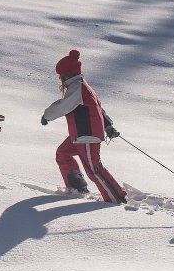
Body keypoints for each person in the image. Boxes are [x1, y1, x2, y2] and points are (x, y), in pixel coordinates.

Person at [40, 49, 127, 204]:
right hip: (80, 135)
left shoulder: (77, 88)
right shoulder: (83, 86)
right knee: (63, 153)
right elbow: (99, 109)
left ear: (66, 74)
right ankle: (77, 187)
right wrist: (108, 126)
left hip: (86, 136)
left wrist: (47, 115)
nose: (60, 78)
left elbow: (64, 105)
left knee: (94, 170)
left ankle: (116, 198)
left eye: (61, 75)